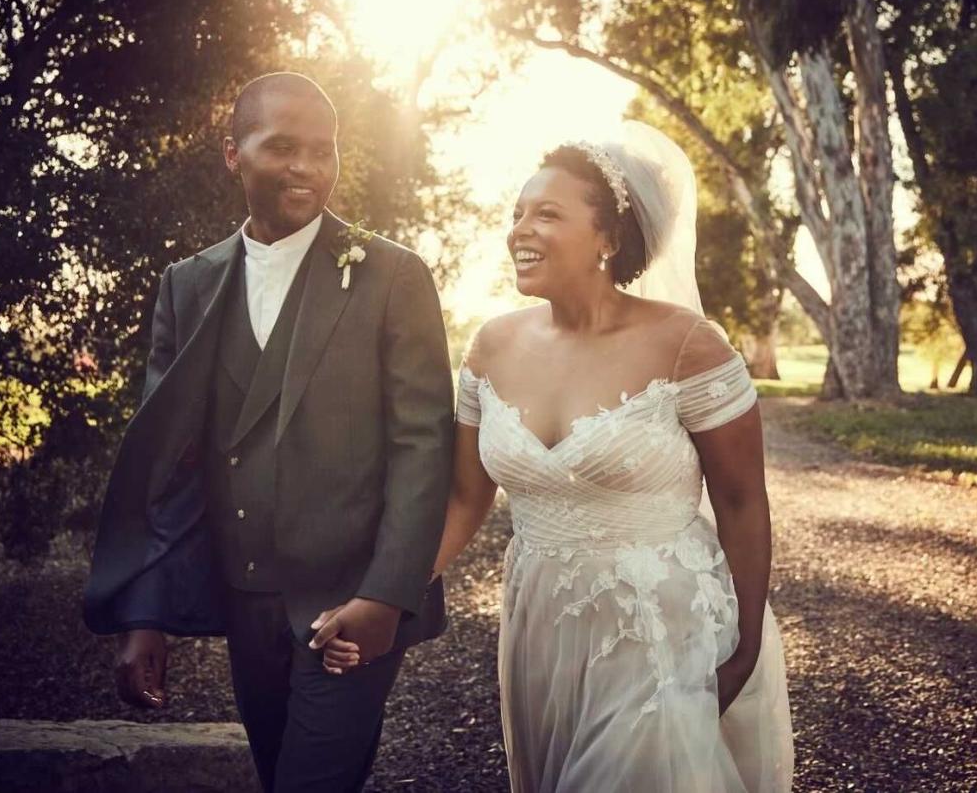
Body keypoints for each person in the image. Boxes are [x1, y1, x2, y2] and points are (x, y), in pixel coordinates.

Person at [324, 122, 794, 791]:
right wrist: (386, 597)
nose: (521, 229)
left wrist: (746, 642)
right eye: (517, 213)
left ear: (607, 238)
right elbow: (464, 499)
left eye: (547, 213)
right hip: (540, 621)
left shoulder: (689, 345)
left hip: (658, 625)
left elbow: (744, 501)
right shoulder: (491, 346)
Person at [83, 72, 454, 793]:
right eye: (282, 147)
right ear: (233, 154)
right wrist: (145, 614)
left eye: (324, 149)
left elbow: (424, 446)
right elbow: (171, 464)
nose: (307, 167)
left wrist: (387, 594)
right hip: (246, 597)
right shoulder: (186, 285)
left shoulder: (392, 276)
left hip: (350, 606)